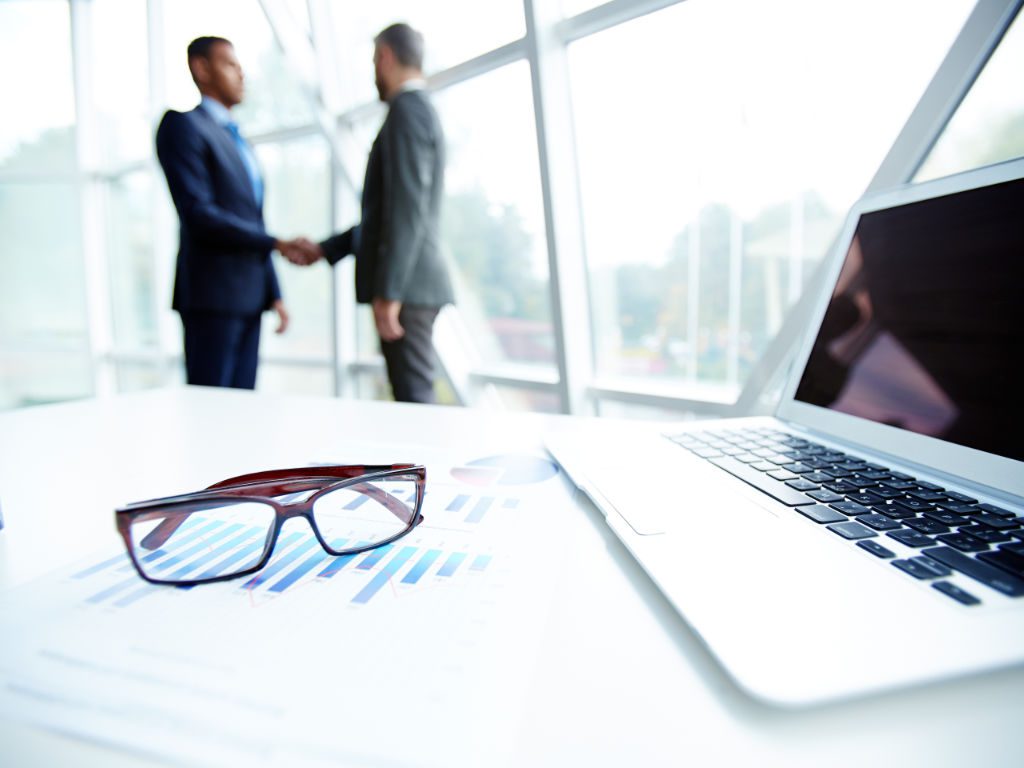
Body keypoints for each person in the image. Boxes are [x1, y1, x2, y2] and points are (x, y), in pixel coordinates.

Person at [289, 23, 454, 404]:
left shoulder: (407, 112)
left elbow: (407, 210)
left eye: (373, 61)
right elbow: (386, 213)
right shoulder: (414, 111)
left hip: (408, 284)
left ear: (385, 57)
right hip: (410, 282)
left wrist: (390, 291)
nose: (373, 72)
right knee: (411, 394)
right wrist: (327, 248)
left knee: (414, 397)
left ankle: (425, 466)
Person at [155, 36, 314, 389]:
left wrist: (274, 291)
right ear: (201, 68)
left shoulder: (238, 140)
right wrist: (275, 243)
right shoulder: (183, 126)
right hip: (212, 296)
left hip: (249, 295)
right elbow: (198, 213)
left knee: (242, 409)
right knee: (211, 407)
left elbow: (253, 219)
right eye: (230, 65)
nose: (242, 76)